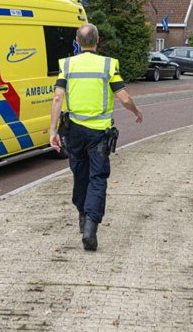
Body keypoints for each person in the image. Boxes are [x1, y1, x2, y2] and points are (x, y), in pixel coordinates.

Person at [49, 23, 143, 251]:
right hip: (99, 132)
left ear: (77, 41)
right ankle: (91, 225)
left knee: (79, 174)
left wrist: (53, 131)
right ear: (97, 40)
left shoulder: (67, 64)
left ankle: (82, 216)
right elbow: (124, 98)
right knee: (97, 178)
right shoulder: (108, 65)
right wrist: (137, 112)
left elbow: (57, 98)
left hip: (74, 132)